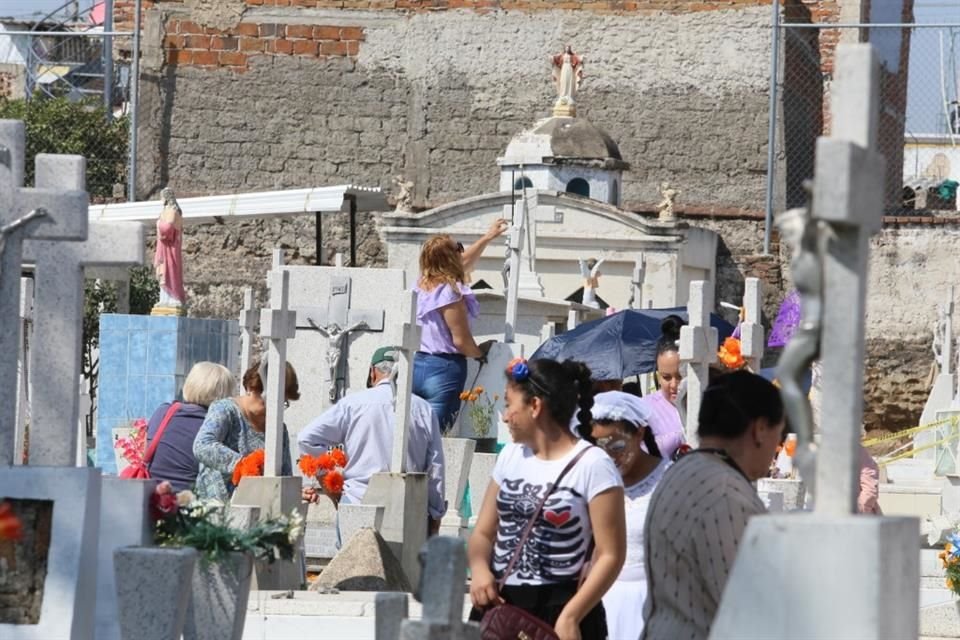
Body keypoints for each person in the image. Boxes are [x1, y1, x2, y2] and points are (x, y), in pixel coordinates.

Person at [468, 358, 626, 640]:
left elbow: (611, 554)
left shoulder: (593, 465)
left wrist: (572, 615)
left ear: (535, 406)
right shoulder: (510, 456)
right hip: (501, 607)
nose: (504, 416)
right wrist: (480, 570)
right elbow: (483, 531)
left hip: (563, 608)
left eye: (509, 404)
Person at [642, 370, 785, 640]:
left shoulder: (678, 471)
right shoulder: (726, 494)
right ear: (760, 429)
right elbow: (749, 609)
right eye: (779, 435)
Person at [298, 346, 447, 538]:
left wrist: (328, 481)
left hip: (359, 501)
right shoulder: (424, 410)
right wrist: (435, 514)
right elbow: (435, 468)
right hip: (407, 507)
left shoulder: (352, 405)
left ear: (372, 372)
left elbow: (306, 438)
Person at [590, 391, 670, 640]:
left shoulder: (669, 479)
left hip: (654, 601)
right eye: (601, 447)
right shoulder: (592, 479)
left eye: (617, 446)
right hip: (598, 601)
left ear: (640, 434)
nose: (610, 456)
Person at [413, 222, 506, 432]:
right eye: (459, 248)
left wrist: (488, 237)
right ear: (450, 258)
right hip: (443, 369)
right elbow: (461, 340)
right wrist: (480, 354)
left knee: (412, 436)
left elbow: (462, 261)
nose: (462, 253)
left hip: (417, 364)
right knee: (436, 437)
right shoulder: (449, 294)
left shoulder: (420, 286)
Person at [193, 359, 300, 501]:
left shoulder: (279, 428)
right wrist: (241, 464)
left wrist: (295, 493)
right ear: (250, 388)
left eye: (283, 403)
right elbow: (202, 445)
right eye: (268, 401)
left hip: (260, 513)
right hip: (218, 511)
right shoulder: (225, 410)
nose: (274, 408)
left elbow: (284, 473)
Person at [145, 361, 235, 492]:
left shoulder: (164, 411)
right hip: (191, 505)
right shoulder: (217, 426)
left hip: (152, 500)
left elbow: (146, 452)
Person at [639, 315, 686, 460]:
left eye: (680, 376)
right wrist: (679, 436)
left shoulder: (711, 404)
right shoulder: (643, 409)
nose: (674, 385)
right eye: (666, 377)